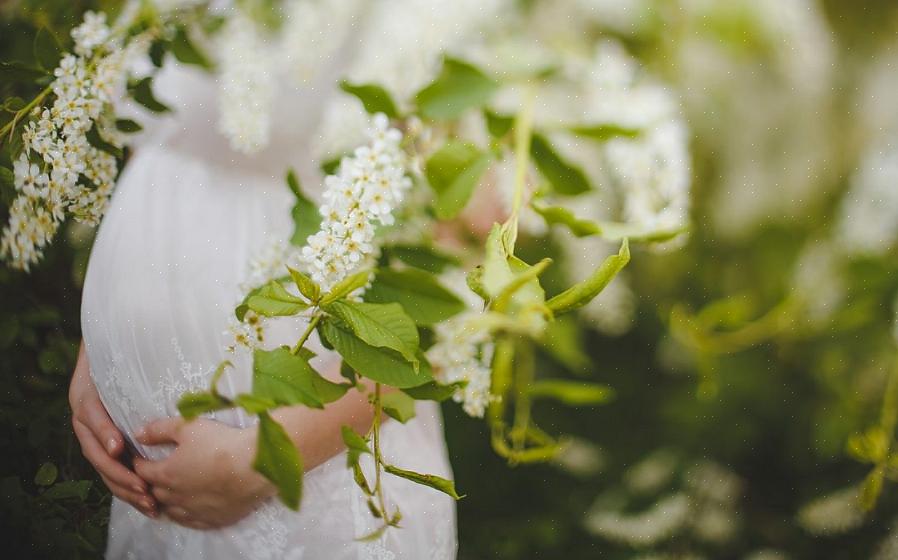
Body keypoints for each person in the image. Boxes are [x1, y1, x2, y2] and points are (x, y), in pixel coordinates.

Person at [67, 26, 457, 560]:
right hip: (157, 498)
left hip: (309, 482)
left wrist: (265, 459)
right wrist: (97, 361)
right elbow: (159, 144)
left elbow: (456, 280)